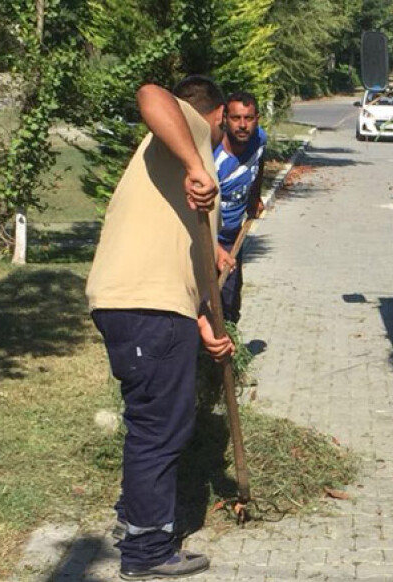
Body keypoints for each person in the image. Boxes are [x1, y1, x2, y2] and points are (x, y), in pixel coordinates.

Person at [85, 75, 236, 581]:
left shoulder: (170, 171)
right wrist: (199, 162)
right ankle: (147, 550)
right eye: (223, 126)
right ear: (214, 115)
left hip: (146, 307)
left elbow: (175, 266)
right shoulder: (192, 136)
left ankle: (134, 522)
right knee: (161, 428)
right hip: (144, 307)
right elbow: (151, 93)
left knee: (152, 421)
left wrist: (202, 325)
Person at [213, 91, 268, 323]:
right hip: (207, 241)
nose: (243, 125)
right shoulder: (212, 159)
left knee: (230, 301)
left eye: (249, 118)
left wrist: (254, 196)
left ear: (257, 118)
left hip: (234, 238)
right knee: (206, 303)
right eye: (236, 118)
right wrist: (214, 249)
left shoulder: (259, 140)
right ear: (225, 119)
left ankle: (228, 348)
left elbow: (259, 162)